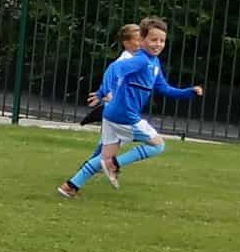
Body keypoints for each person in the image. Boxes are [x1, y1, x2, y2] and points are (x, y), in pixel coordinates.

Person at [57, 18, 201, 198]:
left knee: (103, 157)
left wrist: (188, 92)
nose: (158, 44)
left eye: (162, 40)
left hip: (111, 113)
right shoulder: (141, 60)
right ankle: (114, 164)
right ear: (142, 40)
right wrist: (104, 91)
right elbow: (113, 69)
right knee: (158, 146)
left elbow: (164, 88)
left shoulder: (154, 62)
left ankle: (70, 186)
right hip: (125, 115)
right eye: (153, 40)